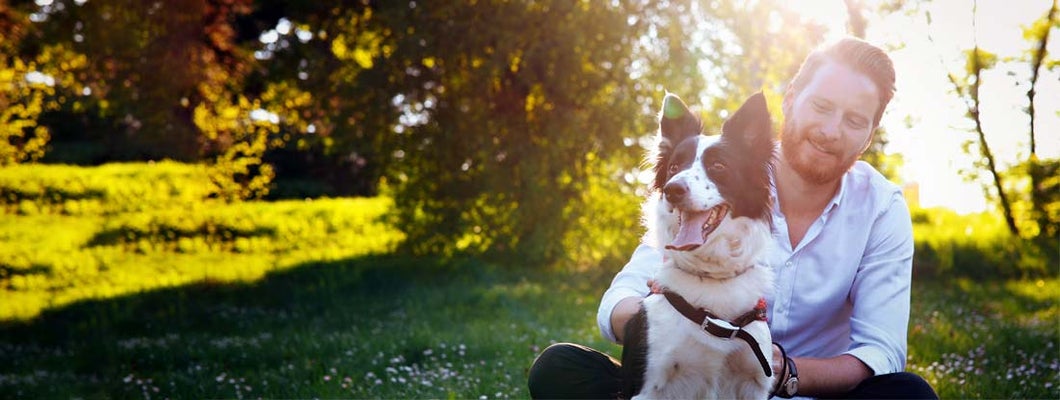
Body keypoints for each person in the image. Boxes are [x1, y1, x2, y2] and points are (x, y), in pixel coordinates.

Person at [527, 37, 938, 399]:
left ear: (870, 133)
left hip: (802, 391)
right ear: (791, 98)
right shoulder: (720, 178)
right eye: (822, 106)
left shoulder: (882, 208)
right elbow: (618, 303)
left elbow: (880, 352)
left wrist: (782, 371)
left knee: (909, 394)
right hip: (688, 386)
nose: (831, 130)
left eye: (853, 120)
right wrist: (674, 327)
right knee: (560, 368)